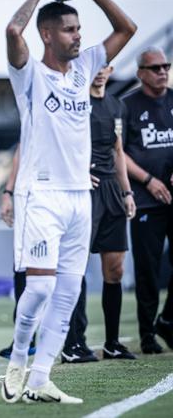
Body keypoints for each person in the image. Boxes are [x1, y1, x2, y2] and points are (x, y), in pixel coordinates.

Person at [2, 0, 136, 405]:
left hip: (83, 196)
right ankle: (19, 359)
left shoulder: (88, 65)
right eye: (69, 30)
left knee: (69, 291)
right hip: (40, 194)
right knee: (39, 287)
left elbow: (127, 28)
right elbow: (12, 33)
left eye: (79, 28)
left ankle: (40, 379)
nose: (78, 35)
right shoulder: (29, 75)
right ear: (47, 35)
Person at [61, 65, 137, 364]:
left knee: (115, 269)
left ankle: (113, 343)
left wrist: (127, 191)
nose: (101, 72)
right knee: (76, 266)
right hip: (83, 190)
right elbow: (60, 143)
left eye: (106, 66)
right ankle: (74, 343)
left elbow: (119, 150)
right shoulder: (74, 101)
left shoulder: (117, 105)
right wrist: (76, 172)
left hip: (112, 192)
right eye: (96, 66)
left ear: (111, 69)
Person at [123, 47, 173, 354]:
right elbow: (119, 153)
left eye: (166, 66)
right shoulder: (127, 105)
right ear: (141, 72)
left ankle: (167, 320)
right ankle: (146, 334)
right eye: (155, 68)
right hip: (145, 200)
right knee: (147, 270)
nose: (162, 71)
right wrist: (148, 180)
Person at [0, 145, 36, 359]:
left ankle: (72, 340)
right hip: (27, 197)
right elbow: (22, 149)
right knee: (23, 268)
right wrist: (8, 192)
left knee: (52, 272)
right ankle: (24, 338)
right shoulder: (32, 115)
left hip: (53, 197)